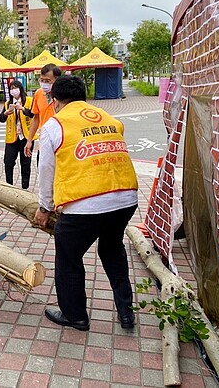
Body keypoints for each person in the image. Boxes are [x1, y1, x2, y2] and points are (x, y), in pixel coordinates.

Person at [34, 75, 139, 331]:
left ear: (55, 100)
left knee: (69, 258)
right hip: (125, 198)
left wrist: (45, 207)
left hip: (85, 205)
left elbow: (46, 169)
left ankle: (75, 316)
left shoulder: (54, 125)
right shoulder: (110, 119)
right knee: (112, 250)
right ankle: (126, 311)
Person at [0, 80, 35, 189]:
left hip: (26, 137)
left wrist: (22, 108)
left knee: (25, 163)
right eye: (11, 89)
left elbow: (34, 114)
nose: (13, 91)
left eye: (15, 88)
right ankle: (9, 186)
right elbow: (1, 118)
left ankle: (25, 187)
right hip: (12, 137)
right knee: (8, 162)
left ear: (20, 89)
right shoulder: (8, 103)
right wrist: (6, 113)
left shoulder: (29, 100)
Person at [24, 63, 62, 158]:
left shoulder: (64, 94)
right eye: (42, 80)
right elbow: (36, 118)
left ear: (57, 80)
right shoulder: (39, 94)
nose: (44, 83)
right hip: (44, 142)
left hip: (61, 143)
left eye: (48, 81)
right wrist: (29, 140)